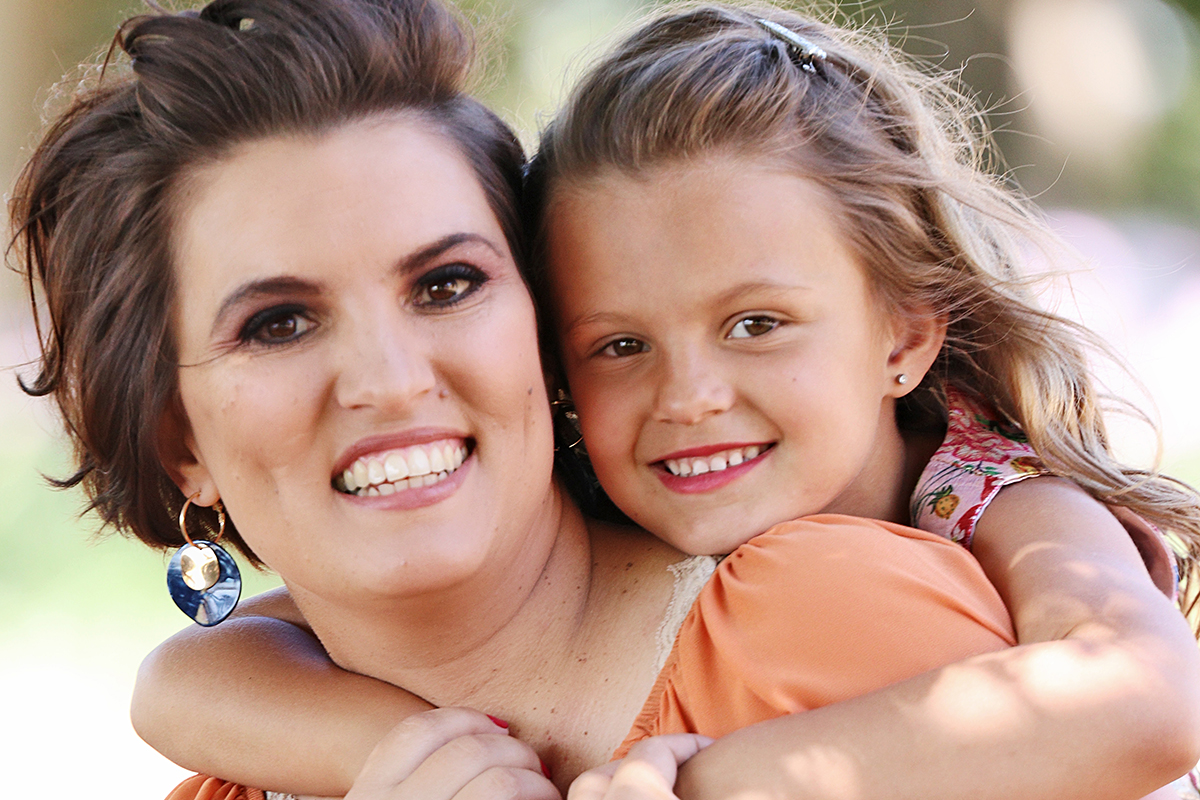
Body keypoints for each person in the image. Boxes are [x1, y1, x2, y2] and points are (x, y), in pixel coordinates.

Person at [10, 2, 1196, 800]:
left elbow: (1142, 698)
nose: (391, 378)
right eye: (277, 321)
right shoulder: (239, 756)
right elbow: (185, 673)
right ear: (177, 440)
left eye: (447, 282)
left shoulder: (841, 627)